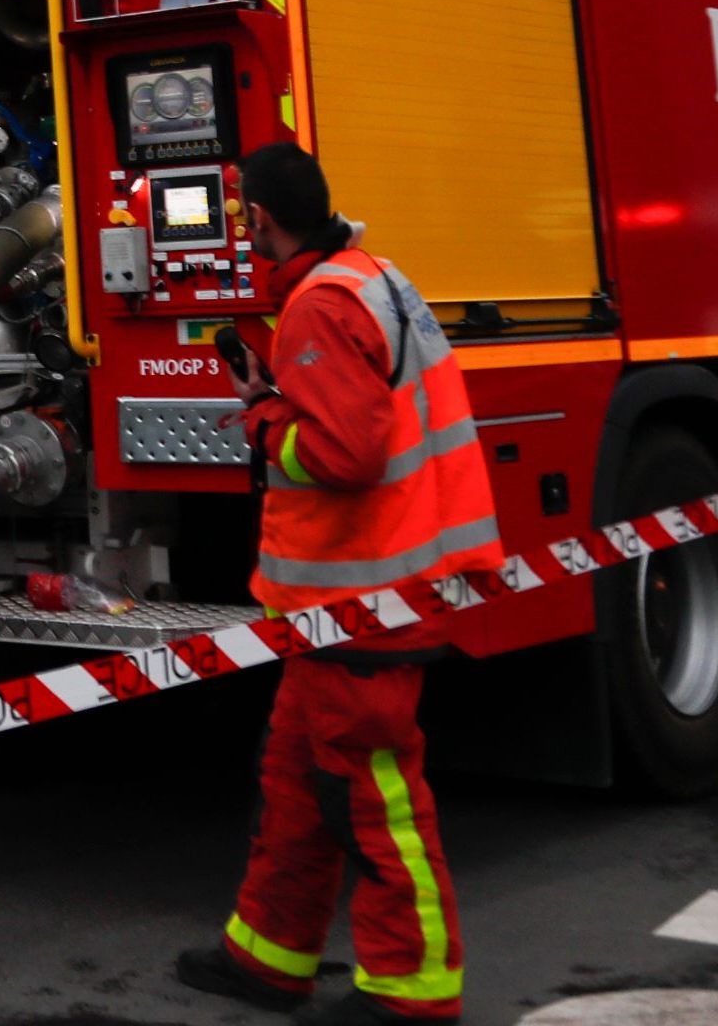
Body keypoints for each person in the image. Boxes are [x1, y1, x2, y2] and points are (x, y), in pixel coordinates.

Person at [177, 143, 497, 1024]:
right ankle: (267, 957)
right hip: (357, 598)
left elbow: (346, 455)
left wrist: (260, 421)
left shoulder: (318, 307)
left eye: (243, 220)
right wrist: (281, 395)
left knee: (369, 795)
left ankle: (413, 990)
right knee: (292, 780)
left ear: (261, 222)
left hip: (362, 602)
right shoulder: (371, 276)